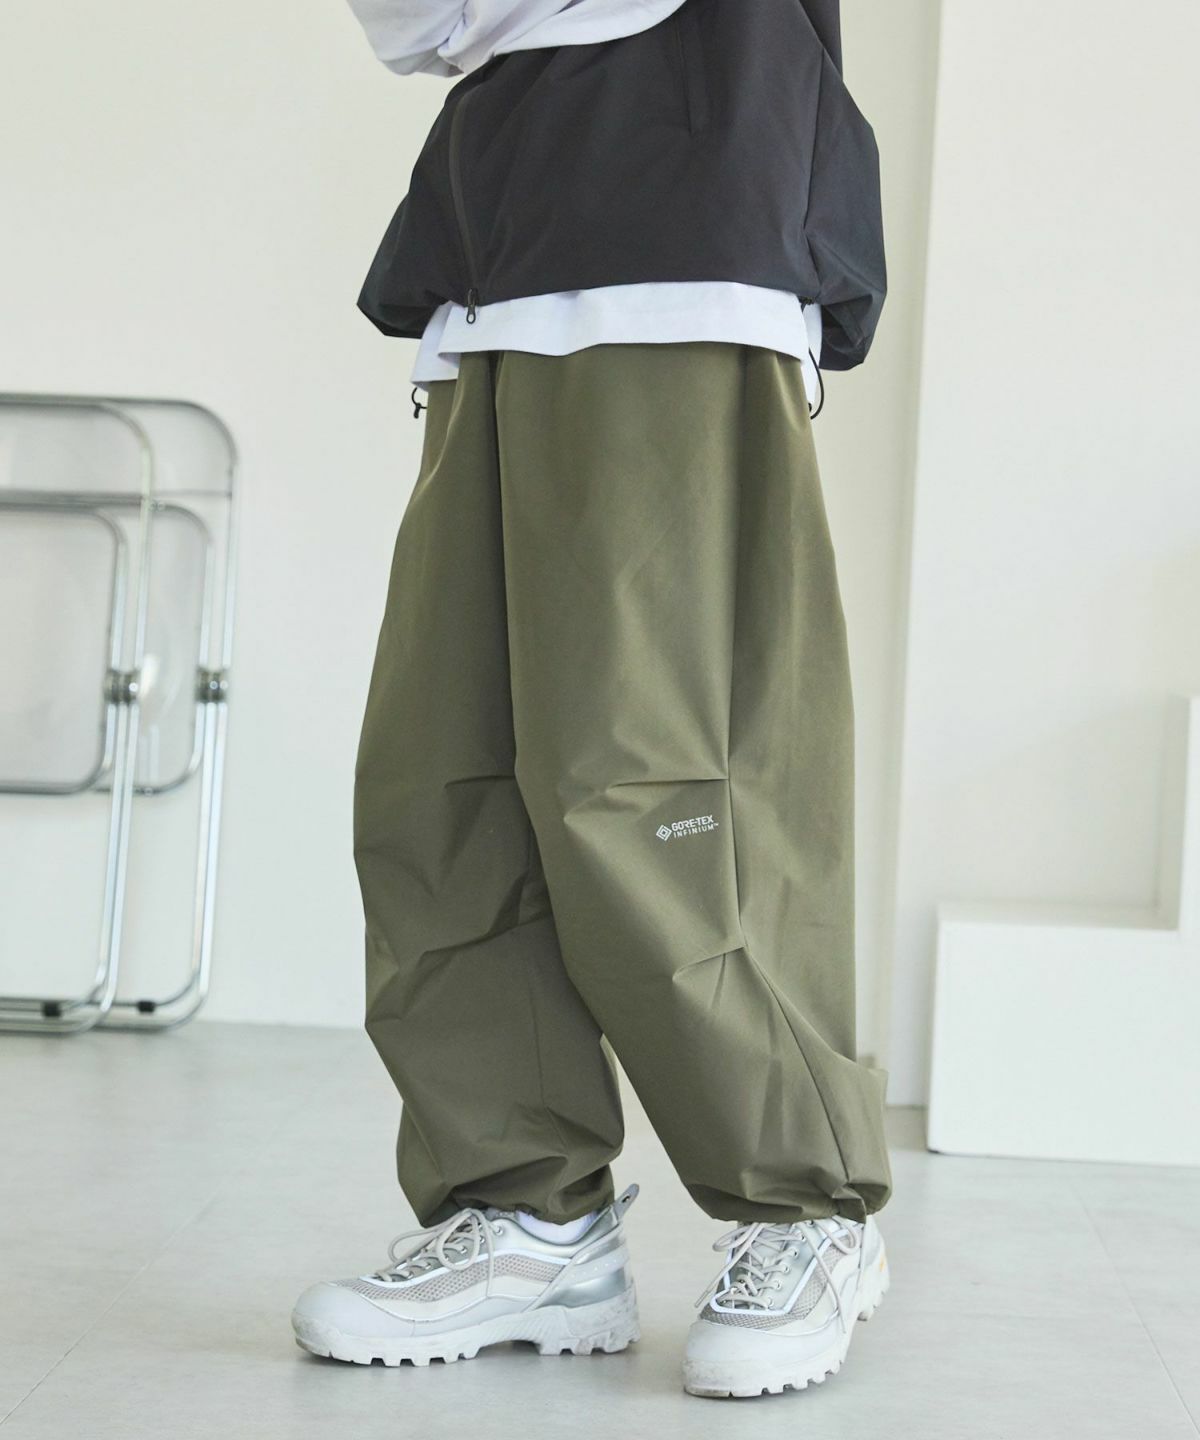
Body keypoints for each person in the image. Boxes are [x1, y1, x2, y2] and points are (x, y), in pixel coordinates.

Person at [292, 0, 893, 1399]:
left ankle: (805, 1206)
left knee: (654, 772)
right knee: (447, 778)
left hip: (679, 232)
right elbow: (414, 22)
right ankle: (530, 1213)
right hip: (502, 242)